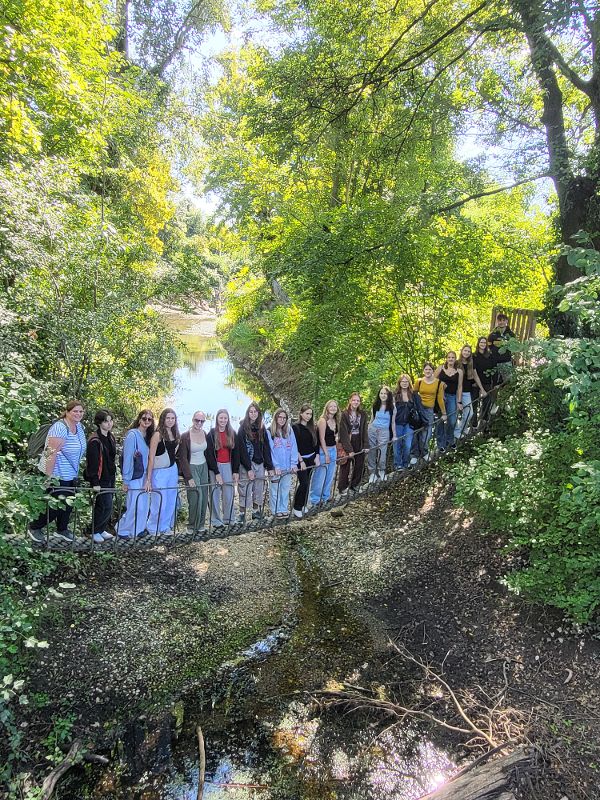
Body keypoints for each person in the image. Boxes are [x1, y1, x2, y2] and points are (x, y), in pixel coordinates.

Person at [29, 400, 87, 543]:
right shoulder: (59, 427)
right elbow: (50, 453)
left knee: (67, 504)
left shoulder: (79, 426)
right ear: (67, 412)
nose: (78, 414)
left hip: (71, 473)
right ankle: (34, 527)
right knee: (55, 504)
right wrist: (49, 477)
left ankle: (62, 529)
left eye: (80, 411)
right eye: (75, 411)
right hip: (57, 473)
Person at [116, 409, 154, 539]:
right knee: (133, 505)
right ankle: (122, 530)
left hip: (144, 476)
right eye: (144, 418)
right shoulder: (133, 435)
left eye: (150, 419)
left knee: (144, 505)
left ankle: (138, 529)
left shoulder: (148, 437)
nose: (147, 421)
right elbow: (127, 458)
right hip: (134, 476)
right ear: (139, 419)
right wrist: (126, 480)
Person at [146, 408, 180, 536]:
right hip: (159, 471)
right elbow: (151, 457)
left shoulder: (175, 433)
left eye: (173, 418)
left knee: (171, 499)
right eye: (168, 418)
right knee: (159, 500)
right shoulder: (158, 434)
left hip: (172, 469)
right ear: (163, 419)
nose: (170, 421)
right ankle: (153, 527)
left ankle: (165, 526)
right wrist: (148, 478)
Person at [237, 403, 273, 523]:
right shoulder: (242, 429)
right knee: (245, 487)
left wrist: (269, 466)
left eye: (255, 412)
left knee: (258, 488)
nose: (253, 414)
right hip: (248, 462)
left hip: (260, 462)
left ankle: (255, 511)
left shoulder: (262, 428)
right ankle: (242, 513)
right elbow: (241, 449)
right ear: (248, 414)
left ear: (258, 414)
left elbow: (266, 448)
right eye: (251, 412)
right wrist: (248, 468)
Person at [85, 409, 117, 544]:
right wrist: (94, 481)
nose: (109, 424)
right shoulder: (95, 441)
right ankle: (93, 531)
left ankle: (101, 529)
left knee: (104, 505)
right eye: (106, 421)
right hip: (100, 478)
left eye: (110, 421)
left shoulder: (110, 437)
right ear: (99, 423)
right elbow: (92, 464)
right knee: (105, 505)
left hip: (109, 476)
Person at [205, 409, 241, 528]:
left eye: (225, 418)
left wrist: (235, 470)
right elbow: (209, 454)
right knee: (214, 493)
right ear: (217, 419)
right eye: (221, 418)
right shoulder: (211, 434)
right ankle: (216, 520)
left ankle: (229, 518)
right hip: (215, 466)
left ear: (228, 419)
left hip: (228, 465)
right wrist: (216, 472)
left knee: (229, 492)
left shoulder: (232, 433)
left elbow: (236, 453)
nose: (223, 420)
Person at [177, 411, 209, 533]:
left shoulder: (205, 434)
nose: (199, 423)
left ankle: (200, 524)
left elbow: (208, 453)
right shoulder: (185, 436)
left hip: (203, 466)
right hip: (191, 466)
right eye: (197, 420)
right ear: (192, 420)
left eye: (202, 421)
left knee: (204, 495)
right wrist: (188, 477)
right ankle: (191, 525)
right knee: (195, 496)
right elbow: (183, 457)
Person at [266, 408, 298, 518]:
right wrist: (275, 466)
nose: (282, 419)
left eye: (284, 418)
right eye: (280, 417)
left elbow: (294, 446)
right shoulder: (270, 431)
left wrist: (294, 463)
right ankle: (275, 510)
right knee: (275, 489)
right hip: (277, 467)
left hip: (288, 466)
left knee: (285, 488)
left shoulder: (289, 430)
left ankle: (283, 508)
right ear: (275, 418)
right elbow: (270, 450)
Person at [411, 365, 447, 462]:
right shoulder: (419, 381)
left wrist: (444, 413)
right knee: (416, 432)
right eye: (426, 369)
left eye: (430, 369)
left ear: (433, 371)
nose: (428, 371)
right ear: (423, 371)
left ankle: (425, 452)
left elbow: (440, 398)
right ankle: (415, 455)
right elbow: (414, 395)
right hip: (418, 410)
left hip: (429, 410)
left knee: (427, 433)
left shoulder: (438, 383)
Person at [309, 400, 340, 505]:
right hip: (324, 450)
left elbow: (335, 436)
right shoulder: (323, 421)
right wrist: (326, 454)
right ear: (326, 408)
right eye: (331, 406)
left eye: (335, 406)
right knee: (320, 475)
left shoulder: (335, 420)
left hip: (333, 449)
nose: (333, 408)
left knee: (330, 475)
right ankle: (315, 499)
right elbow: (321, 439)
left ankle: (325, 496)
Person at [292, 404, 319, 518]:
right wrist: (300, 460)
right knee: (303, 482)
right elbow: (295, 446)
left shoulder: (312, 427)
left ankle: (303, 504)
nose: (309, 416)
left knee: (308, 481)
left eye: (310, 414)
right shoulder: (295, 427)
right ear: (301, 414)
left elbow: (316, 443)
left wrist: (317, 456)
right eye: (307, 413)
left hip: (311, 458)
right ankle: (296, 506)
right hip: (301, 459)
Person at [338, 393, 368, 494]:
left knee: (359, 464)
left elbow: (364, 430)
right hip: (348, 441)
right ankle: (342, 487)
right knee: (345, 465)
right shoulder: (344, 414)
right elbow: (343, 432)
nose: (356, 402)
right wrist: (349, 449)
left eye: (358, 401)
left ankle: (354, 485)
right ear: (350, 401)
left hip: (359, 440)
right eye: (354, 400)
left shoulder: (363, 414)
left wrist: (365, 445)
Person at [454, 345, 486, 440]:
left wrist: (482, 389)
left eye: (468, 351)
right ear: (462, 351)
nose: (466, 353)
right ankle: (456, 432)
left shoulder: (471, 363)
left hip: (466, 391)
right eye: (465, 350)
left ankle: (462, 428)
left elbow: (476, 377)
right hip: (455, 391)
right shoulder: (456, 363)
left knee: (469, 413)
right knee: (454, 414)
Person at [434, 353, 463, 451]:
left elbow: (459, 387)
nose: (451, 359)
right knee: (440, 420)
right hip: (440, 397)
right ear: (446, 359)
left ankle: (450, 440)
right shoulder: (441, 368)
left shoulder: (459, 371)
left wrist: (459, 402)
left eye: (453, 357)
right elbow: (433, 381)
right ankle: (440, 444)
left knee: (452, 420)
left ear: (455, 359)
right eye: (449, 357)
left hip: (452, 397)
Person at [393, 375, 419, 469]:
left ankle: (405, 463)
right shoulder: (395, 395)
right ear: (399, 383)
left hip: (409, 423)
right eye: (402, 381)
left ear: (409, 383)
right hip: (397, 423)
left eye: (406, 381)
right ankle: (398, 464)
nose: (404, 383)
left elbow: (418, 408)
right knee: (397, 445)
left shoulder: (413, 395)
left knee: (408, 445)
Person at [367, 386, 394, 481]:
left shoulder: (392, 407)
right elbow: (372, 419)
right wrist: (368, 430)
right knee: (372, 452)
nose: (383, 395)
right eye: (381, 393)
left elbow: (393, 422)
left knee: (382, 452)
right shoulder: (375, 405)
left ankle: (381, 470)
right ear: (379, 395)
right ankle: (372, 473)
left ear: (388, 395)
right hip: (373, 430)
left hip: (384, 432)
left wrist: (394, 435)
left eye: (385, 393)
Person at [473, 336, 496, 427]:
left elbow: (494, 370)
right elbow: (473, 371)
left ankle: (484, 421)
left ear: (486, 344)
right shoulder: (474, 356)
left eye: (484, 343)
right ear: (478, 344)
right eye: (481, 342)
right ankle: (473, 424)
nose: (482, 344)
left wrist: (494, 383)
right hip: (475, 382)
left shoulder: (490, 356)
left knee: (487, 402)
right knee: (474, 403)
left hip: (486, 382)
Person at [489, 312, 516, 383]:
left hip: (506, 362)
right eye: (500, 320)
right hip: (495, 363)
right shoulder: (492, 334)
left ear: (506, 321)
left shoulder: (511, 335)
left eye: (503, 320)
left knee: (508, 382)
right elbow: (489, 347)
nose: (502, 322)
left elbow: (513, 347)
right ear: (497, 321)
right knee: (494, 382)